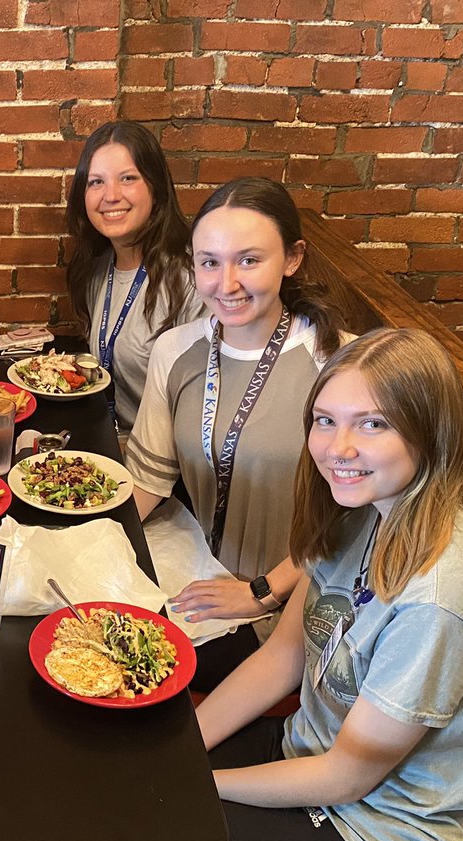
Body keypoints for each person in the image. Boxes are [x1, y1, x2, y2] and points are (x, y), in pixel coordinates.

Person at [172, 328, 463, 841]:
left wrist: (198, 783)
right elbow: (283, 657)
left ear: (431, 432)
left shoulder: (442, 597)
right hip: (305, 749)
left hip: (378, 838)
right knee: (130, 775)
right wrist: (182, 751)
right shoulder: (360, 508)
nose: (338, 448)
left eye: (373, 423)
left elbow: (348, 776)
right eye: (325, 419)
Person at [126, 177, 346, 687]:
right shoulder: (174, 350)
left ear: (292, 259)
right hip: (194, 570)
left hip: (289, 601)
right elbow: (148, 484)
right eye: (209, 262)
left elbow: (352, 525)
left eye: (249, 260)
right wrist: (87, 545)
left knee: (140, 683)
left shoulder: (342, 365)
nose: (225, 284)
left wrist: (261, 592)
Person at [65, 120, 201, 436]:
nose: (110, 196)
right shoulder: (98, 268)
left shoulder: (192, 278)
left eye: (128, 178)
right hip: (112, 440)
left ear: (156, 186)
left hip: (167, 465)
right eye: (96, 182)